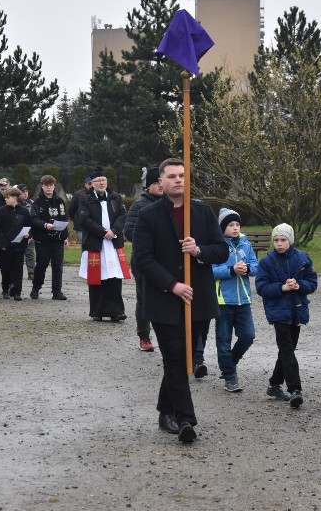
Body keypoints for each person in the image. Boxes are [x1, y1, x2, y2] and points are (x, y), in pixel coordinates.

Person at [132, 158, 228, 443]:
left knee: (182, 357)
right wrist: (172, 285)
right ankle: (185, 419)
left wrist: (198, 250)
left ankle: (165, 410)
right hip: (164, 300)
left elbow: (221, 250)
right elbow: (142, 258)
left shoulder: (201, 212)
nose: (178, 180)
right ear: (160, 182)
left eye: (182, 175)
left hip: (196, 299)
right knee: (174, 357)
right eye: (171, 176)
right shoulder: (148, 216)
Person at [255, 224, 318, 409]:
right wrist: (282, 287)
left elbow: (312, 282)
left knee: (288, 349)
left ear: (290, 240)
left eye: (283, 240)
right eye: (276, 240)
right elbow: (261, 287)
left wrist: (299, 285)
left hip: (297, 310)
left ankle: (274, 384)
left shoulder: (303, 258)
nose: (279, 244)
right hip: (278, 312)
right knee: (287, 349)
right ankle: (295, 389)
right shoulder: (266, 262)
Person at [211, 208, 259, 392]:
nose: (235, 228)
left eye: (237, 224)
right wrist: (231, 270)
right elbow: (211, 271)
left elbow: (256, 267)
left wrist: (247, 268)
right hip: (223, 301)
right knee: (223, 339)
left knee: (248, 335)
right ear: (223, 228)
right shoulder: (217, 246)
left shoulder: (246, 245)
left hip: (243, 300)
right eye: (231, 225)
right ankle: (230, 376)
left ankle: (229, 363)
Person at [78, 168, 129, 322]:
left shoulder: (115, 197)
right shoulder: (85, 198)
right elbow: (84, 220)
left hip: (112, 243)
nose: (101, 183)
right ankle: (97, 311)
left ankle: (117, 311)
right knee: (97, 278)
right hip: (96, 242)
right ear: (92, 184)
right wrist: (102, 232)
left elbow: (122, 214)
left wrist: (113, 231)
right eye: (98, 180)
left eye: (103, 180)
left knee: (114, 277)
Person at [124, 166, 162, 351]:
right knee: (144, 298)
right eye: (156, 182)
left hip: (166, 260)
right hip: (144, 260)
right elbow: (129, 230)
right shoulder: (139, 205)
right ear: (149, 185)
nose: (160, 185)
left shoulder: (173, 203)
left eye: (162, 181)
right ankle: (144, 336)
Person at [29, 175, 69, 301]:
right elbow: (34, 219)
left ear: (54, 186)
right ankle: (36, 288)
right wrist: (45, 225)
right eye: (46, 185)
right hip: (43, 240)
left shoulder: (60, 202)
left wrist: (65, 236)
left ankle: (57, 291)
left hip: (58, 240)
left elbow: (64, 219)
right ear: (42, 186)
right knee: (41, 265)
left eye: (51, 185)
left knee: (58, 265)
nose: (49, 188)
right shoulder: (37, 202)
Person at [0, 187, 31, 300]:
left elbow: (29, 226)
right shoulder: (2, 210)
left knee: (18, 269)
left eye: (7, 197)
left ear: (14, 198)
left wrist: (28, 235)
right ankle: (5, 289)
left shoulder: (24, 211)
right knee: (5, 269)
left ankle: (17, 292)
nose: (5, 199)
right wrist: (2, 244)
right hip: (5, 246)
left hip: (19, 246)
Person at [18, 184, 36, 280]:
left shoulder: (32, 203)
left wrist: (31, 234)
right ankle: (18, 272)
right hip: (18, 233)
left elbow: (34, 219)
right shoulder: (16, 203)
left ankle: (31, 272)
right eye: (23, 192)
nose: (25, 194)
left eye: (26, 192)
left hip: (29, 232)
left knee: (30, 253)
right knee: (18, 254)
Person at [67, 176, 92, 247]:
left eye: (92, 183)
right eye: (89, 184)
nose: (91, 185)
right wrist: (76, 219)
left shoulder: (96, 194)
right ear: (85, 184)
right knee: (85, 246)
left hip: (93, 226)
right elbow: (71, 209)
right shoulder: (78, 194)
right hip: (81, 226)